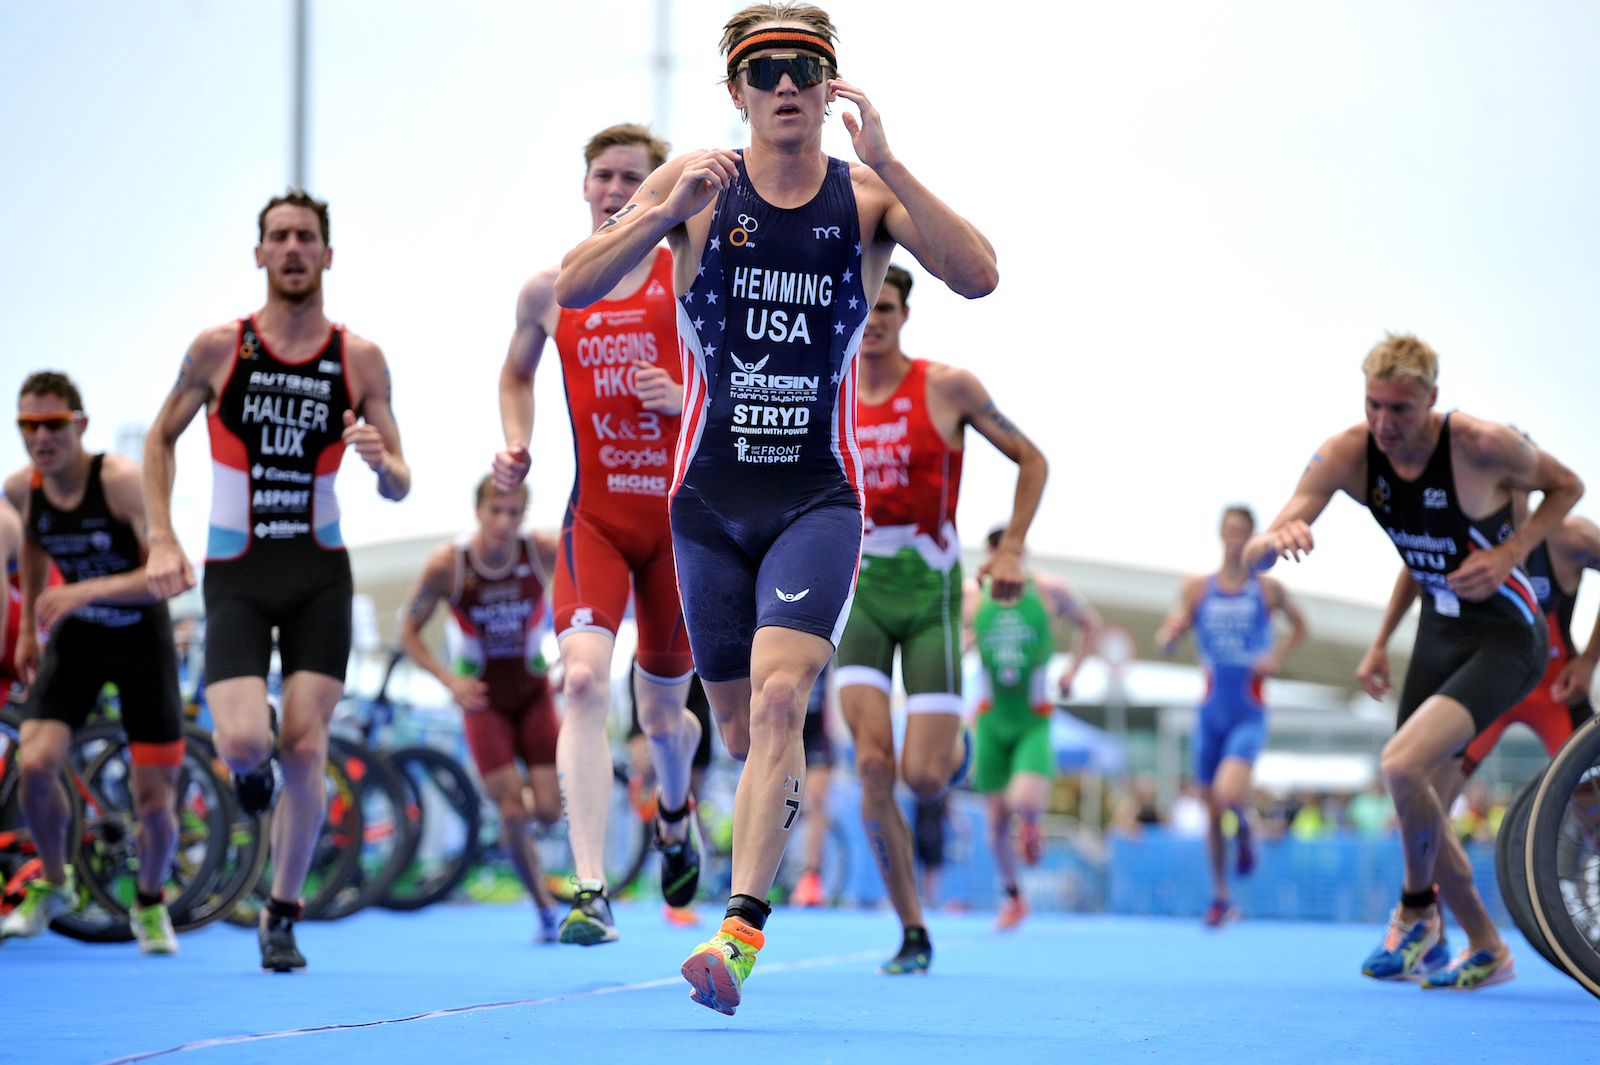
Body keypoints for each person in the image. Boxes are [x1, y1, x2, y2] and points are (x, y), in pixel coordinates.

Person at [555, 2, 997, 1014]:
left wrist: (893, 157)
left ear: (831, 80)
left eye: (805, 67)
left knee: (778, 700)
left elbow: (978, 276)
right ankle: (700, 828)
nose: (786, 86)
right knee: (741, 733)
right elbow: (576, 289)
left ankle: (739, 933)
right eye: (766, 71)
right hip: (707, 498)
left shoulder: (868, 196)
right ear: (736, 93)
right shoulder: (694, 185)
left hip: (814, 496)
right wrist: (660, 213)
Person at [1244, 333, 1581, 990]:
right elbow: (1284, 538)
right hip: (1438, 630)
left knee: (1400, 764)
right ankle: (1484, 944)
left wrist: (1513, 555)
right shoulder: (1351, 452)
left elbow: (1568, 485)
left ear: (1432, 398)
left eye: (1399, 409)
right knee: (1416, 799)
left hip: (1507, 636)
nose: (1383, 424)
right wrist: (1272, 538)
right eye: (1372, 405)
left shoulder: (1482, 445)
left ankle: (1418, 911)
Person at [144, 190, 410, 972]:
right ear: (259, 254)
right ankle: (246, 766)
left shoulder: (357, 357)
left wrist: (379, 461)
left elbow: (400, 478)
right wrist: (161, 533)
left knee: (304, 747)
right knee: (243, 738)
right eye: (279, 237)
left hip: (320, 574)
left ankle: (282, 911)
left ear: (328, 255)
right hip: (237, 570)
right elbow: (161, 438)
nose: (293, 248)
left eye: (306, 237)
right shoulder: (220, 348)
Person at [493, 123, 701, 945]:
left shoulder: (686, 274)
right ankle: (591, 889)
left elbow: (745, 379)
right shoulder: (549, 290)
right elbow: (515, 372)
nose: (618, 191)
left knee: (662, 720)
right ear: (585, 188)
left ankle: (676, 812)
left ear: (658, 192)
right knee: (580, 682)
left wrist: (684, 400)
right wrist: (517, 440)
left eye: (634, 179)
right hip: (599, 521)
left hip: (680, 528)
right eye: (605, 177)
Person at [834, 263, 1046, 972]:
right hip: (857, 591)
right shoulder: (826, 389)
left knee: (923, 778)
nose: (874, 320)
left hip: (931, 597)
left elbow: (1032, 458)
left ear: (904, 312)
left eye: (886, 307)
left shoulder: (946, 386)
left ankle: (950, 749)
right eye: (864, 307)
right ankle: (911, 926)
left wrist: (1011, 547)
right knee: (870, 763)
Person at [0, 372, 183, 953]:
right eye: (29, 425)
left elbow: (169, 575)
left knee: (154, 803)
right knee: (35, 766)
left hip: (140, 641)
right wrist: (28, 627)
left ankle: (150, 902)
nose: (41, 437)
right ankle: (57, 882)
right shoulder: (23, 490)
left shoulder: (122, 482)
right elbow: (31, 546)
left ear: (80, 425)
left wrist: (84, 591)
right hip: (77, 642)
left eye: (53, 424)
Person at [399, 476, 562, 942]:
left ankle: (510, 819)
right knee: (511, 806)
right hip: (482, 699)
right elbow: (408, 632)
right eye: (496, 511)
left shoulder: (542, 551)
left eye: (513, 513)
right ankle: (543, 908)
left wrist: (574, 654)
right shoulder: (448, 564)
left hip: (533, 694)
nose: (504, 523)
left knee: (549, 811)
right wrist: (450, 681)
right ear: (479, 511)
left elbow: (582, 594)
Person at [1361, 510, 1600, 781]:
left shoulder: (1568, 537)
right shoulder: (1461, 531)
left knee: (1591, 795)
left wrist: (1590, 660)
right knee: (1430, 782)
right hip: (1491, 684)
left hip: (1556, 689)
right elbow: (1416, 568)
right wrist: (1380, 643)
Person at [1156, 504, 1308, 927]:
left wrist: (1276, 656)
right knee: (1209, 811)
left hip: (1248, 710)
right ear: (1221, 535)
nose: (1236, 539)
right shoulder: (1197, 588)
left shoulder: (1267, 590)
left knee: (1227, 795)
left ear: (1252, 536)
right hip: (1210, 711)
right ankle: (1221, 896)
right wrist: (1169, 636)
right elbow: (1174, 624)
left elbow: (1302, 626)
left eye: (1243, 531)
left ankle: (1244, 831)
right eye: (1229, 531)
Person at [966, 526, 1101, 931]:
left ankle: (1029, 823)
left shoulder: (1048, 590)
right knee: (993, 821)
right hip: (990, 718)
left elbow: (1089, 624)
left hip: (1032, 717)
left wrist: (1073, 671)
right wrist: (967, 641)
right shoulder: (975, 598)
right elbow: (959, 633)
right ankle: (1014, 897)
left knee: (1022, 798)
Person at [789, 660, 837, 908]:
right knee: (782, 804)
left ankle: (811, 877)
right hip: (785, 725)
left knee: (816, 803)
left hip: (817, 729)